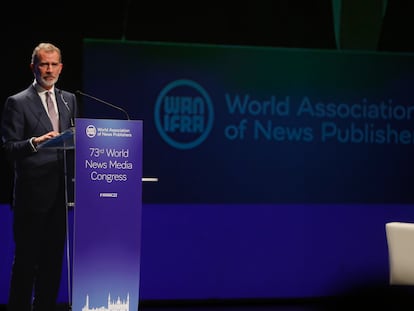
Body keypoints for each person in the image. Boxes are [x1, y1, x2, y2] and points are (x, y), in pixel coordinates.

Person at [1, 42, 78, 311]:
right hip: (31, 198)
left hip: (60, 195)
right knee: (26, 262)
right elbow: (9, 149)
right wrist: (34, 142)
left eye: (53, 64)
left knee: (53, 262)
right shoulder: (17, 102)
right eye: (43, 64)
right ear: (33, 66)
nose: (49, 70)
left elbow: (73, 143)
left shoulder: (70, 100)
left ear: (61, 67)